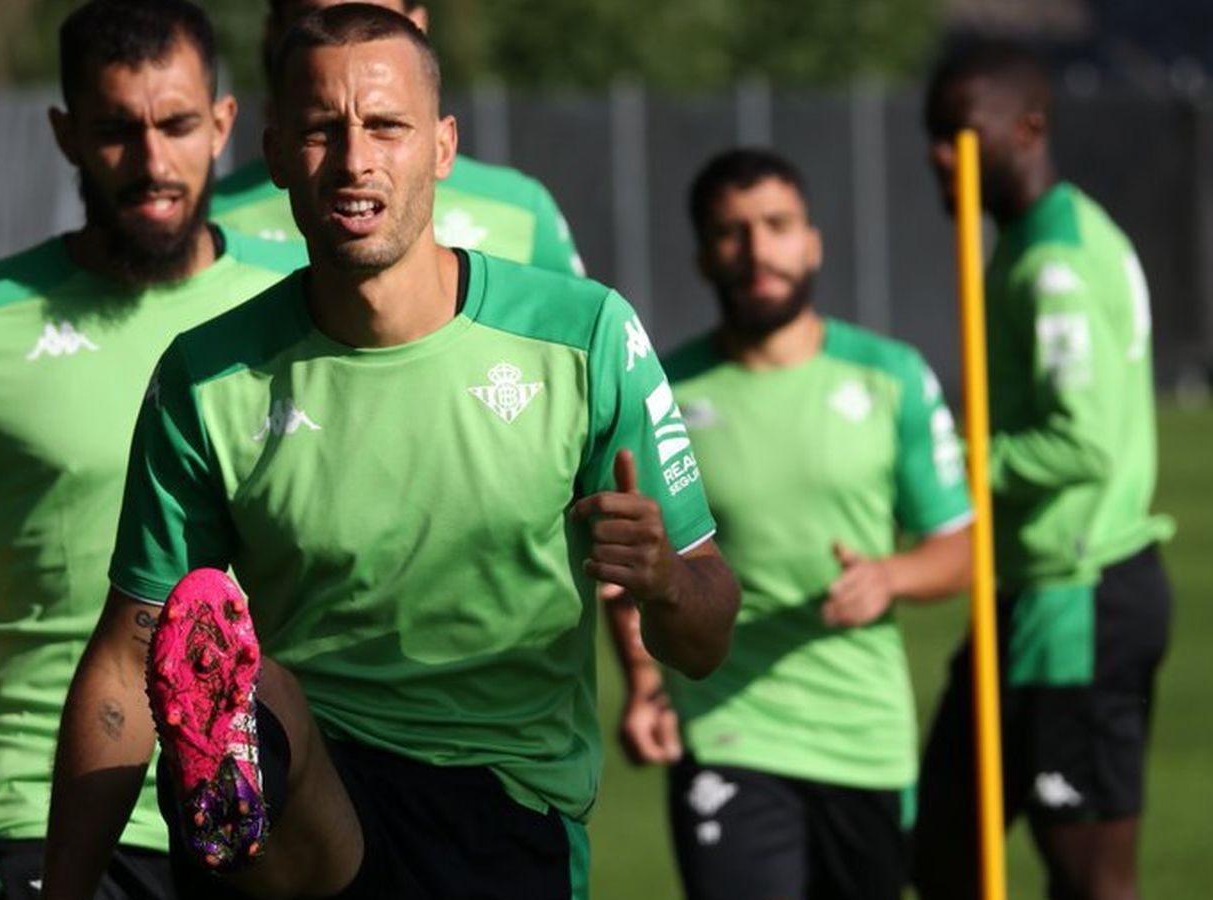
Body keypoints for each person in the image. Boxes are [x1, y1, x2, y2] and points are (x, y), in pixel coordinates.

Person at [40, 6, 740, 899]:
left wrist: (669, 585)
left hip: (504, 807)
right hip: (311, 794)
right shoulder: (207, 375)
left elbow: (708, 632)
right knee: (258, 702)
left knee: (265, 715)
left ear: (442, 146)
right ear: (279, 151)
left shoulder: (585, 336)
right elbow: (123, 655)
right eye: (322, 131)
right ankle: (238, 788)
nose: (356, 161)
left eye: (386, 127)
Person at [0, 2, 304, 897]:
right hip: (36, 813)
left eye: (177, 125)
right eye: (117, 130)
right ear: (65, 134)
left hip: (273, 802)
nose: (153, 162)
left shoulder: (298, 306)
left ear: (226, 125)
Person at [602, 148, 974, 900]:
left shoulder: (890, 375)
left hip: (865, 740)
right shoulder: (663, 394)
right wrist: (644, 684)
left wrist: (888, 577)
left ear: (813, 240)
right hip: (727, 733)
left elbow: (960, 545)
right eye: (732, 232)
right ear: (705, 256)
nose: (757, 250)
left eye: (776, 225)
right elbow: (632, 561)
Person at [916, 40, 1175, 900]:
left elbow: (1082, 440)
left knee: (1089, 877)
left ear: (1027, 129)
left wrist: (956, 466)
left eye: (958, 131)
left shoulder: (1052, 262)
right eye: (931, 133)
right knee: (941, 847)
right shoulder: (1037, 237)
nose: (937, 155)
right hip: (1030, 591)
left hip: (1079, 592)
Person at [211, 0, 587, 277]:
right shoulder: (211, 224)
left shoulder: (521, 210)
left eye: (374, 21)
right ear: (273, 36)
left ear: (417, 25)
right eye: (318, 23)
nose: (347, 42)